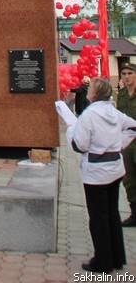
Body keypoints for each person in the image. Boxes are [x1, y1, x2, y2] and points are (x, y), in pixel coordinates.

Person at [67, 76, 136, 273]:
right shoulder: (113, 111)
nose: (88, 91)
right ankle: (116, 257)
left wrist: (71, 130)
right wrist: (118, 144)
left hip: (96, 172)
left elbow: (81, 145)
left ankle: (102, 261)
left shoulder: (88, 115)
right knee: (112, 213)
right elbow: (133, 126)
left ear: (94, 93)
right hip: (115, 169)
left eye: (90, 88)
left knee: (98, 218)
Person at [116, 62, 136, 226]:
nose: (127, 77)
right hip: (128, 144)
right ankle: (134, 213)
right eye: (124, 74)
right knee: (129, 179)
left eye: (130, 73)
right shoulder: (121, 95)